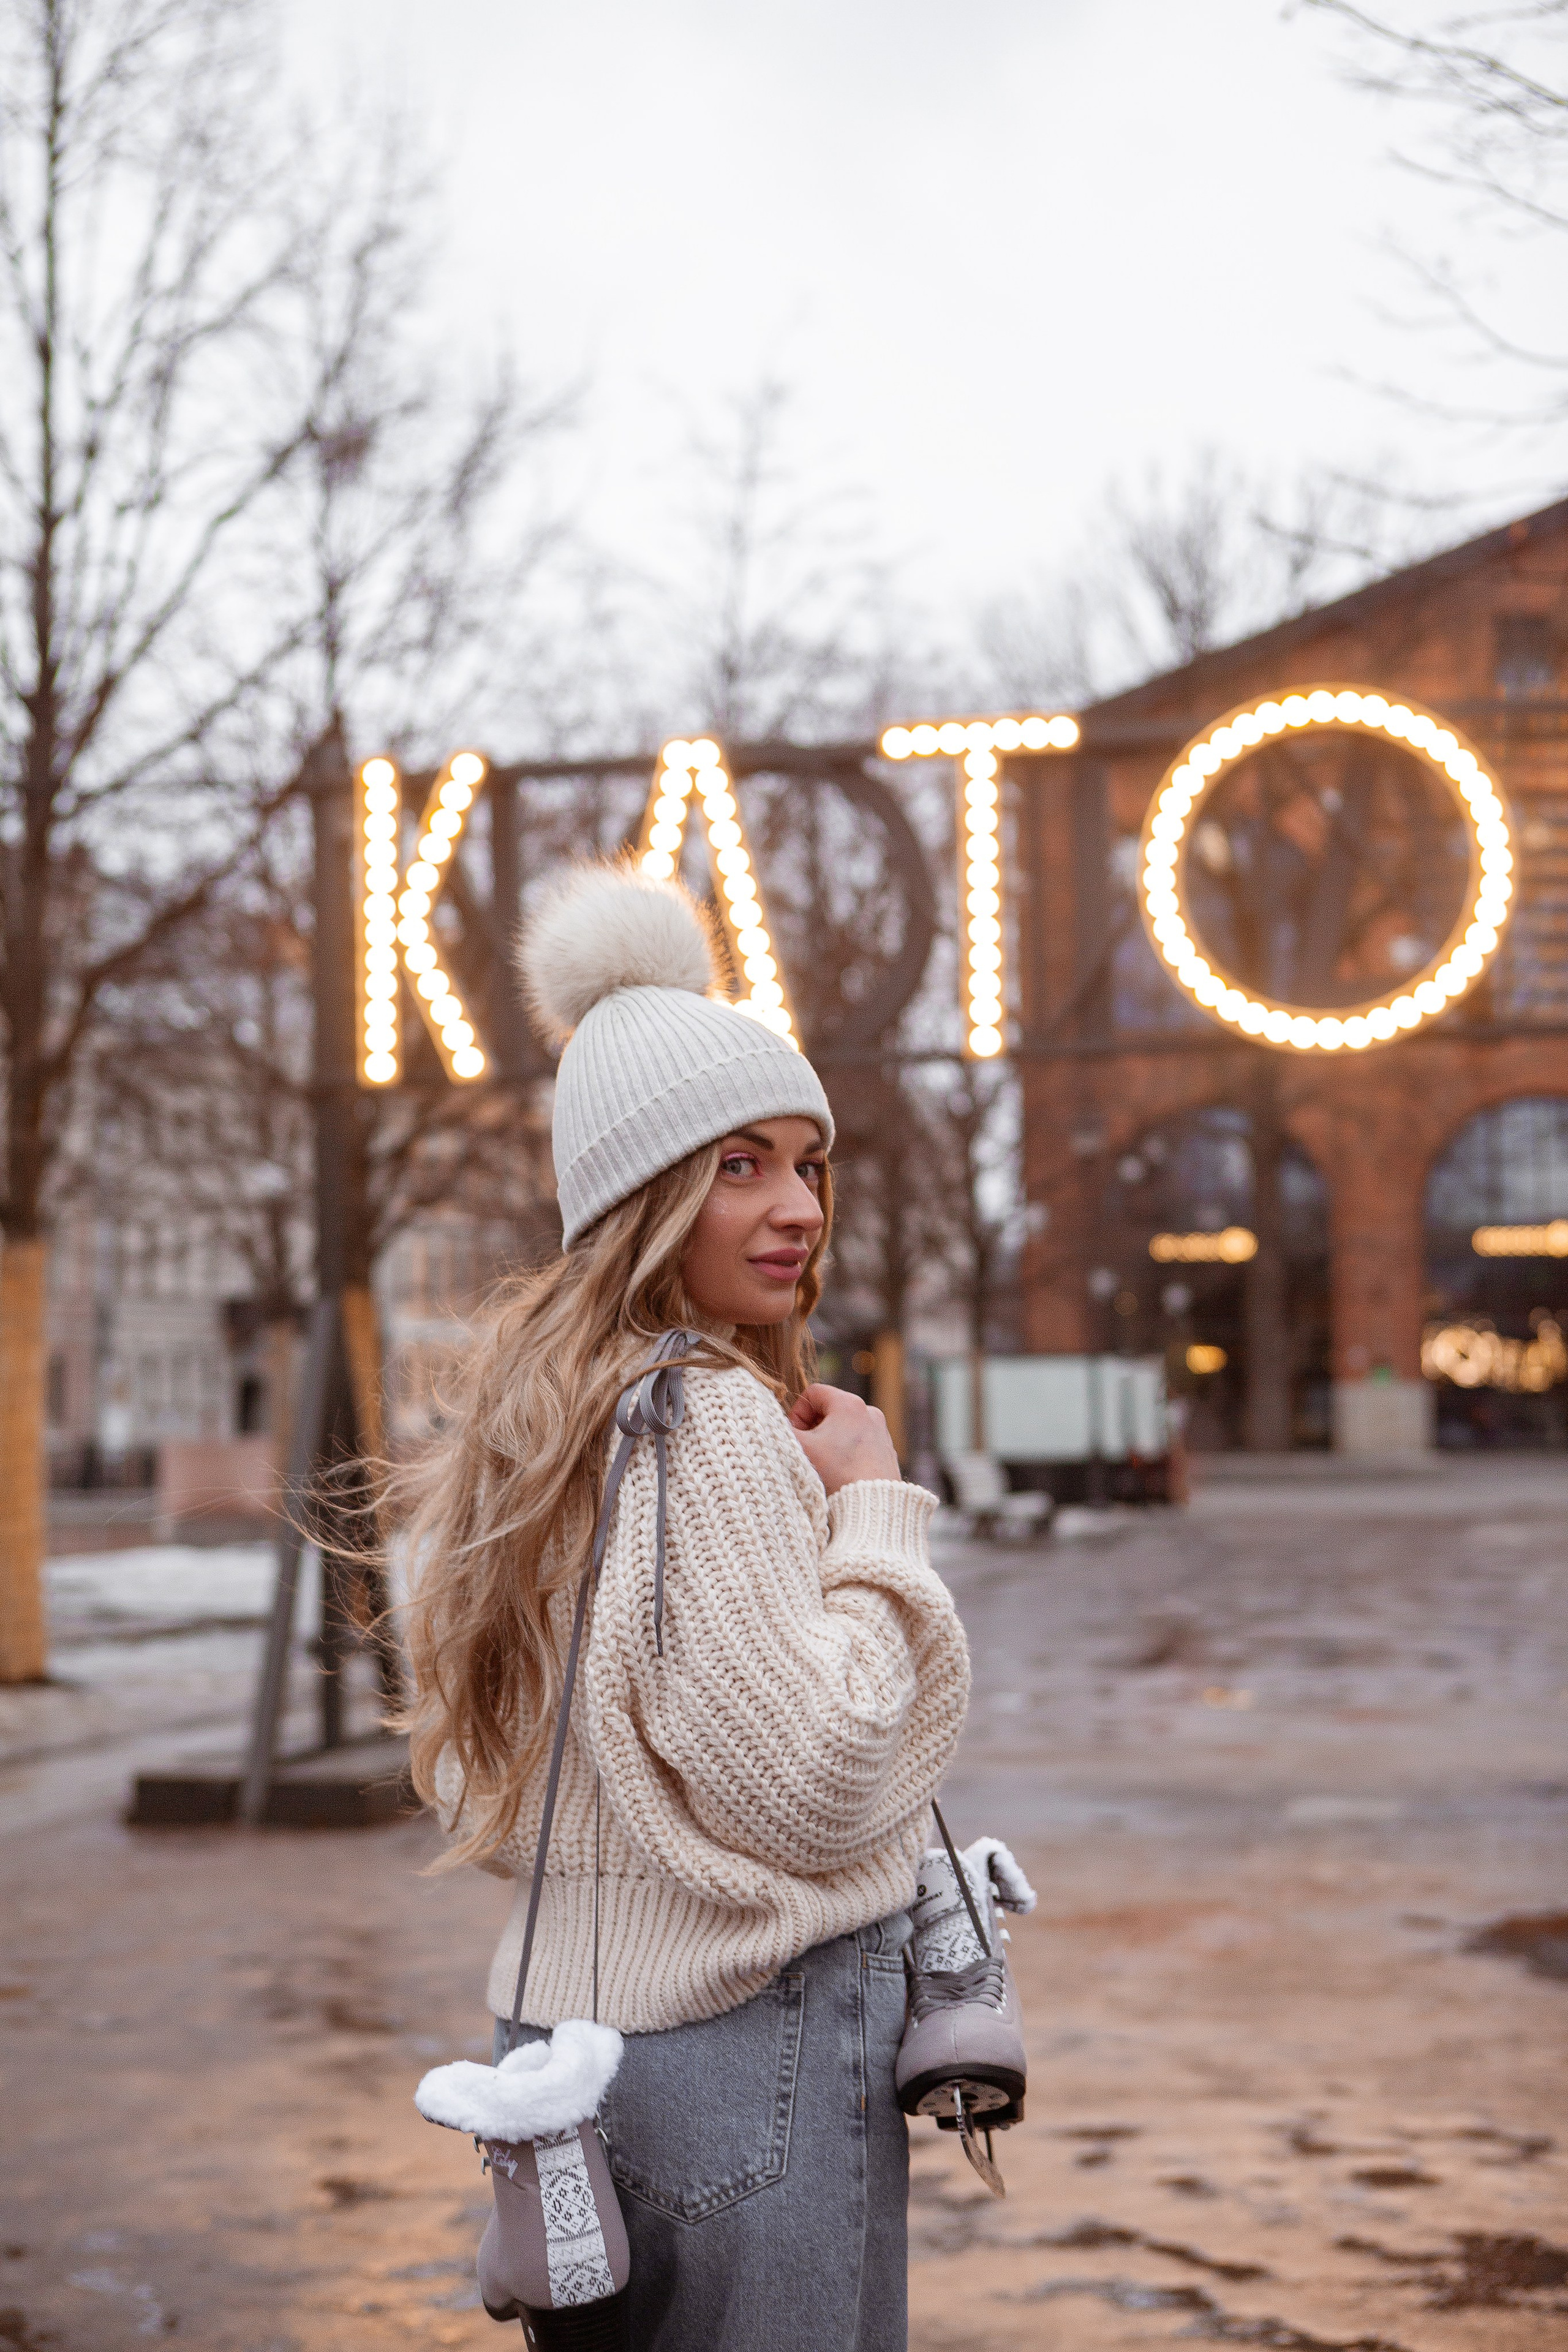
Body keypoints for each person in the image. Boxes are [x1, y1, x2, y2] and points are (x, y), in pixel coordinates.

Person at [402, 860, 971, 2350]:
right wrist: (873, 1507)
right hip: (755, 2043)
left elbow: (487, 1771)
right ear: (640, 1194)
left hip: (571, 2077)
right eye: (737, 1166)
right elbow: (821, 1780)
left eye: (806, 1163)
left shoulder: (525, 1436)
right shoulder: (705, 1416)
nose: (795, 1208)